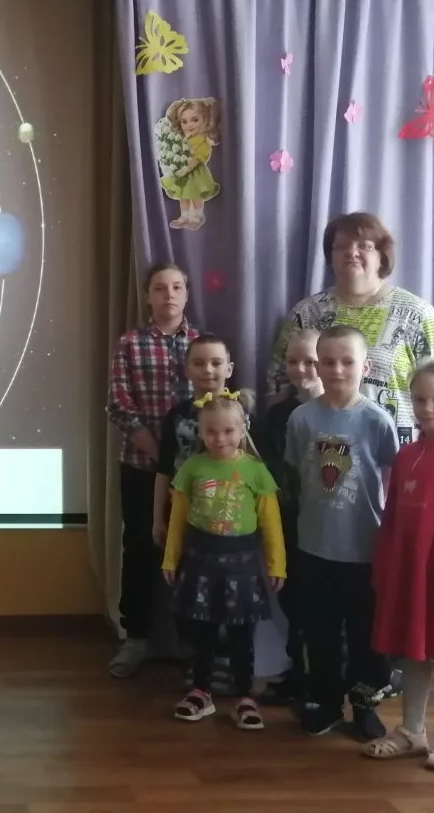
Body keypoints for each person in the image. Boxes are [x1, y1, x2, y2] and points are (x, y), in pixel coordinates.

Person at [285, 325, 400, 739]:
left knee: (366, 636)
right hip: (314, 547)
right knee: (320, 632)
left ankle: (365, 705)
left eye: (347, 362)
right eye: (328, 361)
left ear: (365, 367)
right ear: (318, 365)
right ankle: (325, 702)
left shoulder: (377, 421)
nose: (336, 370)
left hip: (364, 550)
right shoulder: (301, 418)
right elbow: (297, 475)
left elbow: (389, 484)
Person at [161, 388, 285, 729]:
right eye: (211, 431)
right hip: (200, 562)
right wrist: (170, 560)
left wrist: (277, 564)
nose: (220, 438)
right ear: (200, 432)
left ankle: (245, 697)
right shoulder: (192, 468)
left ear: (242, 429)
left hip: (242, 566)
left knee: (242, 636)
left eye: (228, 431)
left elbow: (272, 524)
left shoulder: (256, 471)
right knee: (202, 633)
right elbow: (177, 520)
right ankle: (201, 692)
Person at [267, 211, 434, 447]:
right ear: (330, 256)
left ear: (382, 256)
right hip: (318, 454)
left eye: (365, 246)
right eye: (341, 246)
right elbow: (277, 385)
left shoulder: (418, 315)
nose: (352, 252)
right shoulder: (306, 313)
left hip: (399, 456)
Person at [106, 262, 200, 678]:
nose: (169, 294)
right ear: (148, 296)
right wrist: (163, 455)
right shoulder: (130, 343)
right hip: (141, 467)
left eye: (177, 287)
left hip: (197, 475)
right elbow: (119, 406)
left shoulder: (202, 344)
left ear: (187, 294)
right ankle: (136, 638)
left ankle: (195, 644)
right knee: (141, 550)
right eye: (160, 288)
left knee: (195, 553)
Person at [364, 362, 434, 764]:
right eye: (419, 399)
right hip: (414, 571)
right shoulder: (407, 454)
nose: (427, 408)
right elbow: (392, 517)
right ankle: (412, 730)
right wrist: (386, 567)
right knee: (416, 650)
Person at [252, 328, 323, 705]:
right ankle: (298, 674)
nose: (301, 368)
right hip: (288, 523)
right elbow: (270, 468)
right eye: (293, 361)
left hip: (328, 527)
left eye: (310, 361)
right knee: (293, 600)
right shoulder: (279, 413)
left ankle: (324, 681)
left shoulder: (339, 411)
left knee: (322, 604)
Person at [152, 334, 238, 548]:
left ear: (229, 369)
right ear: (187, 370)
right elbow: (164, 469)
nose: (208, 370)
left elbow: (258, 469)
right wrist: (157, 519)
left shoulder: (243, 416)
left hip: (232, 514)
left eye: (216, 363)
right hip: (185, 515)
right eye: (199, 363)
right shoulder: (176, 416)